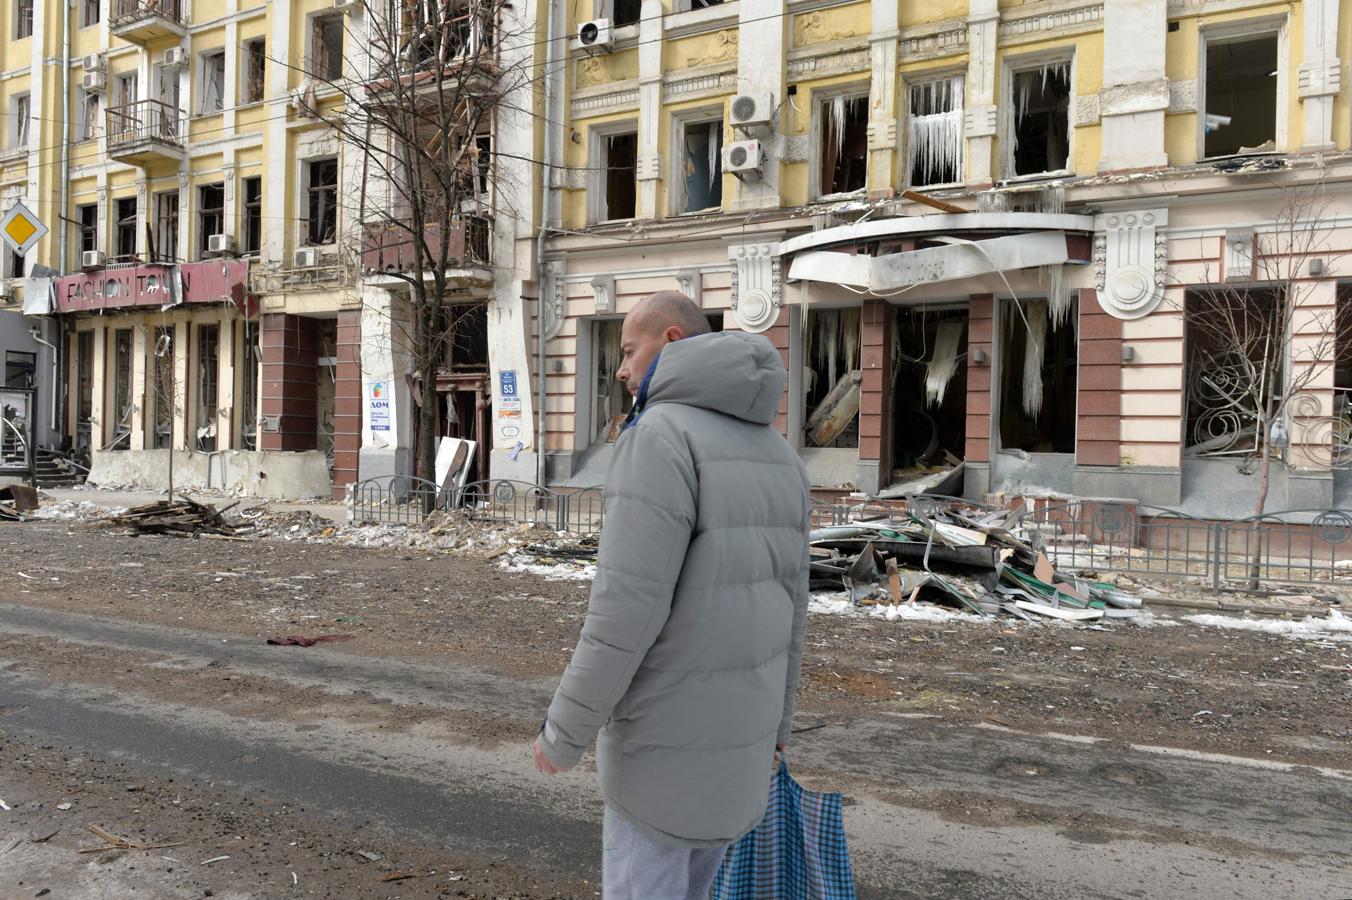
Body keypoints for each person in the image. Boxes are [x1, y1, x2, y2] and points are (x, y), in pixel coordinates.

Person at [532, 291, 811, 899]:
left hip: (661, 748)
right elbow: (793, 612)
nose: (621, 370)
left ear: (674, 342)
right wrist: (778, 729)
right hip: (740, 745)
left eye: (629, 351)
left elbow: (623, 614)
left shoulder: (659, 437)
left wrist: (563, 735)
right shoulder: (779, 454)